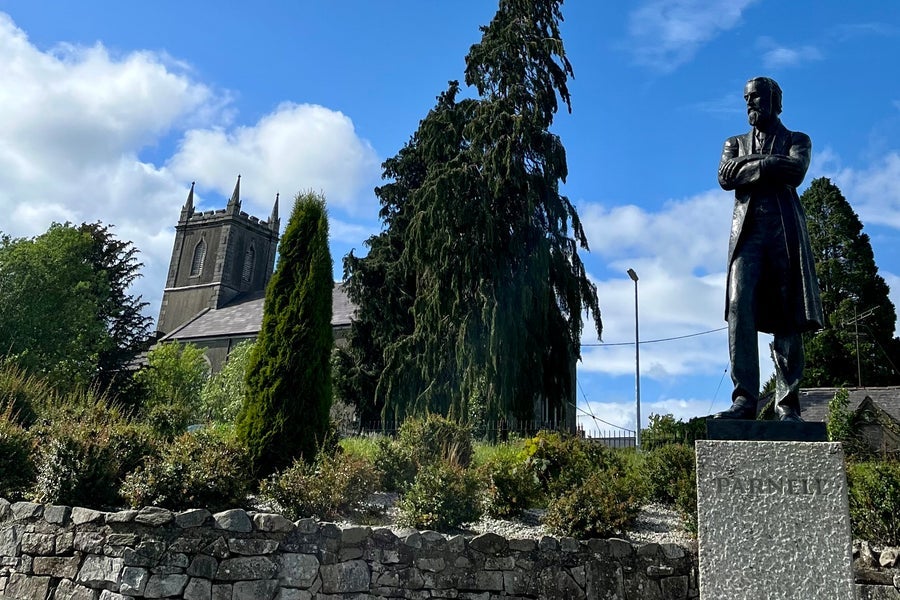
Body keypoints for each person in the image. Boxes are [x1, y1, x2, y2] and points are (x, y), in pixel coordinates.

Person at [713, 76, 823, 422]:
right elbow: (724, 177)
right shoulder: (733, 142)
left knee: (787, 315)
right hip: (748, 236)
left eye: (757, 98)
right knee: (738, 305)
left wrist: (754, 165)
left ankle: (787, 403)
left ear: (776, 102)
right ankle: (744, 398)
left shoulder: (797, 139)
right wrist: (768, 164)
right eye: (747, 99)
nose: (751, 104)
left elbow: (795, 170)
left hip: (784, 233)